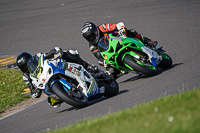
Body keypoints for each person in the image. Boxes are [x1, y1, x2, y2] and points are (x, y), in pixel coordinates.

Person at [16, 47, 98, 108]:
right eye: (23, 68)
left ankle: (88, 66)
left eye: (26, 66)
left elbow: (46, 55)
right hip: (46, 83)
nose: (26, 68)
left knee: (70, 53)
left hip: (51, 70)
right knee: (52, 102)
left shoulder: (37, 57)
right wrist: (35, 92)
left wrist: (54, 52)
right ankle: (68, 95)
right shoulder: (26, 77)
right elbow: (31, 88)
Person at [81, 21, 158, 79]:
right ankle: (129, 68)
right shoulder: (92, 46)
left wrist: (121, 29)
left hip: (119, 39)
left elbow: (118, 25)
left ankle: (148, 41)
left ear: (95, 30)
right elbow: (100, 57)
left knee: (131, 32)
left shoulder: (102, 28)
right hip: (112, 52)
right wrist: (103, 62)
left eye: (92, 35)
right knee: (110, 72)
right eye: (88, 38)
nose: (91, 38)